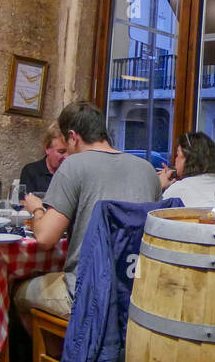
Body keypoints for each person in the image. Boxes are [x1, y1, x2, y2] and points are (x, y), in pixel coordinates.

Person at [17, 101, 162, 317]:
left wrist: (37, 209)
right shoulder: (147, 169)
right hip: (138, 288)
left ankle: (66, 348)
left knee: (20, 293)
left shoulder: (73, 166)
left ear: (73, 136)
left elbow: (46, 238)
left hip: (88, 291)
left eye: (66, 145)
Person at [157, 131, 215, 206]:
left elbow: (152, 214)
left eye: (177, 155)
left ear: (189, 158)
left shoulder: (178, 189)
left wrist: (160, 187)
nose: (175, 160)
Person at [17, 123, 69, 194]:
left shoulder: (72, 173)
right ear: (47, 149)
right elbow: (24, 201)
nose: (66, 157)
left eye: (70, 152)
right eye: (61, 152)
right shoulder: (31, 171)